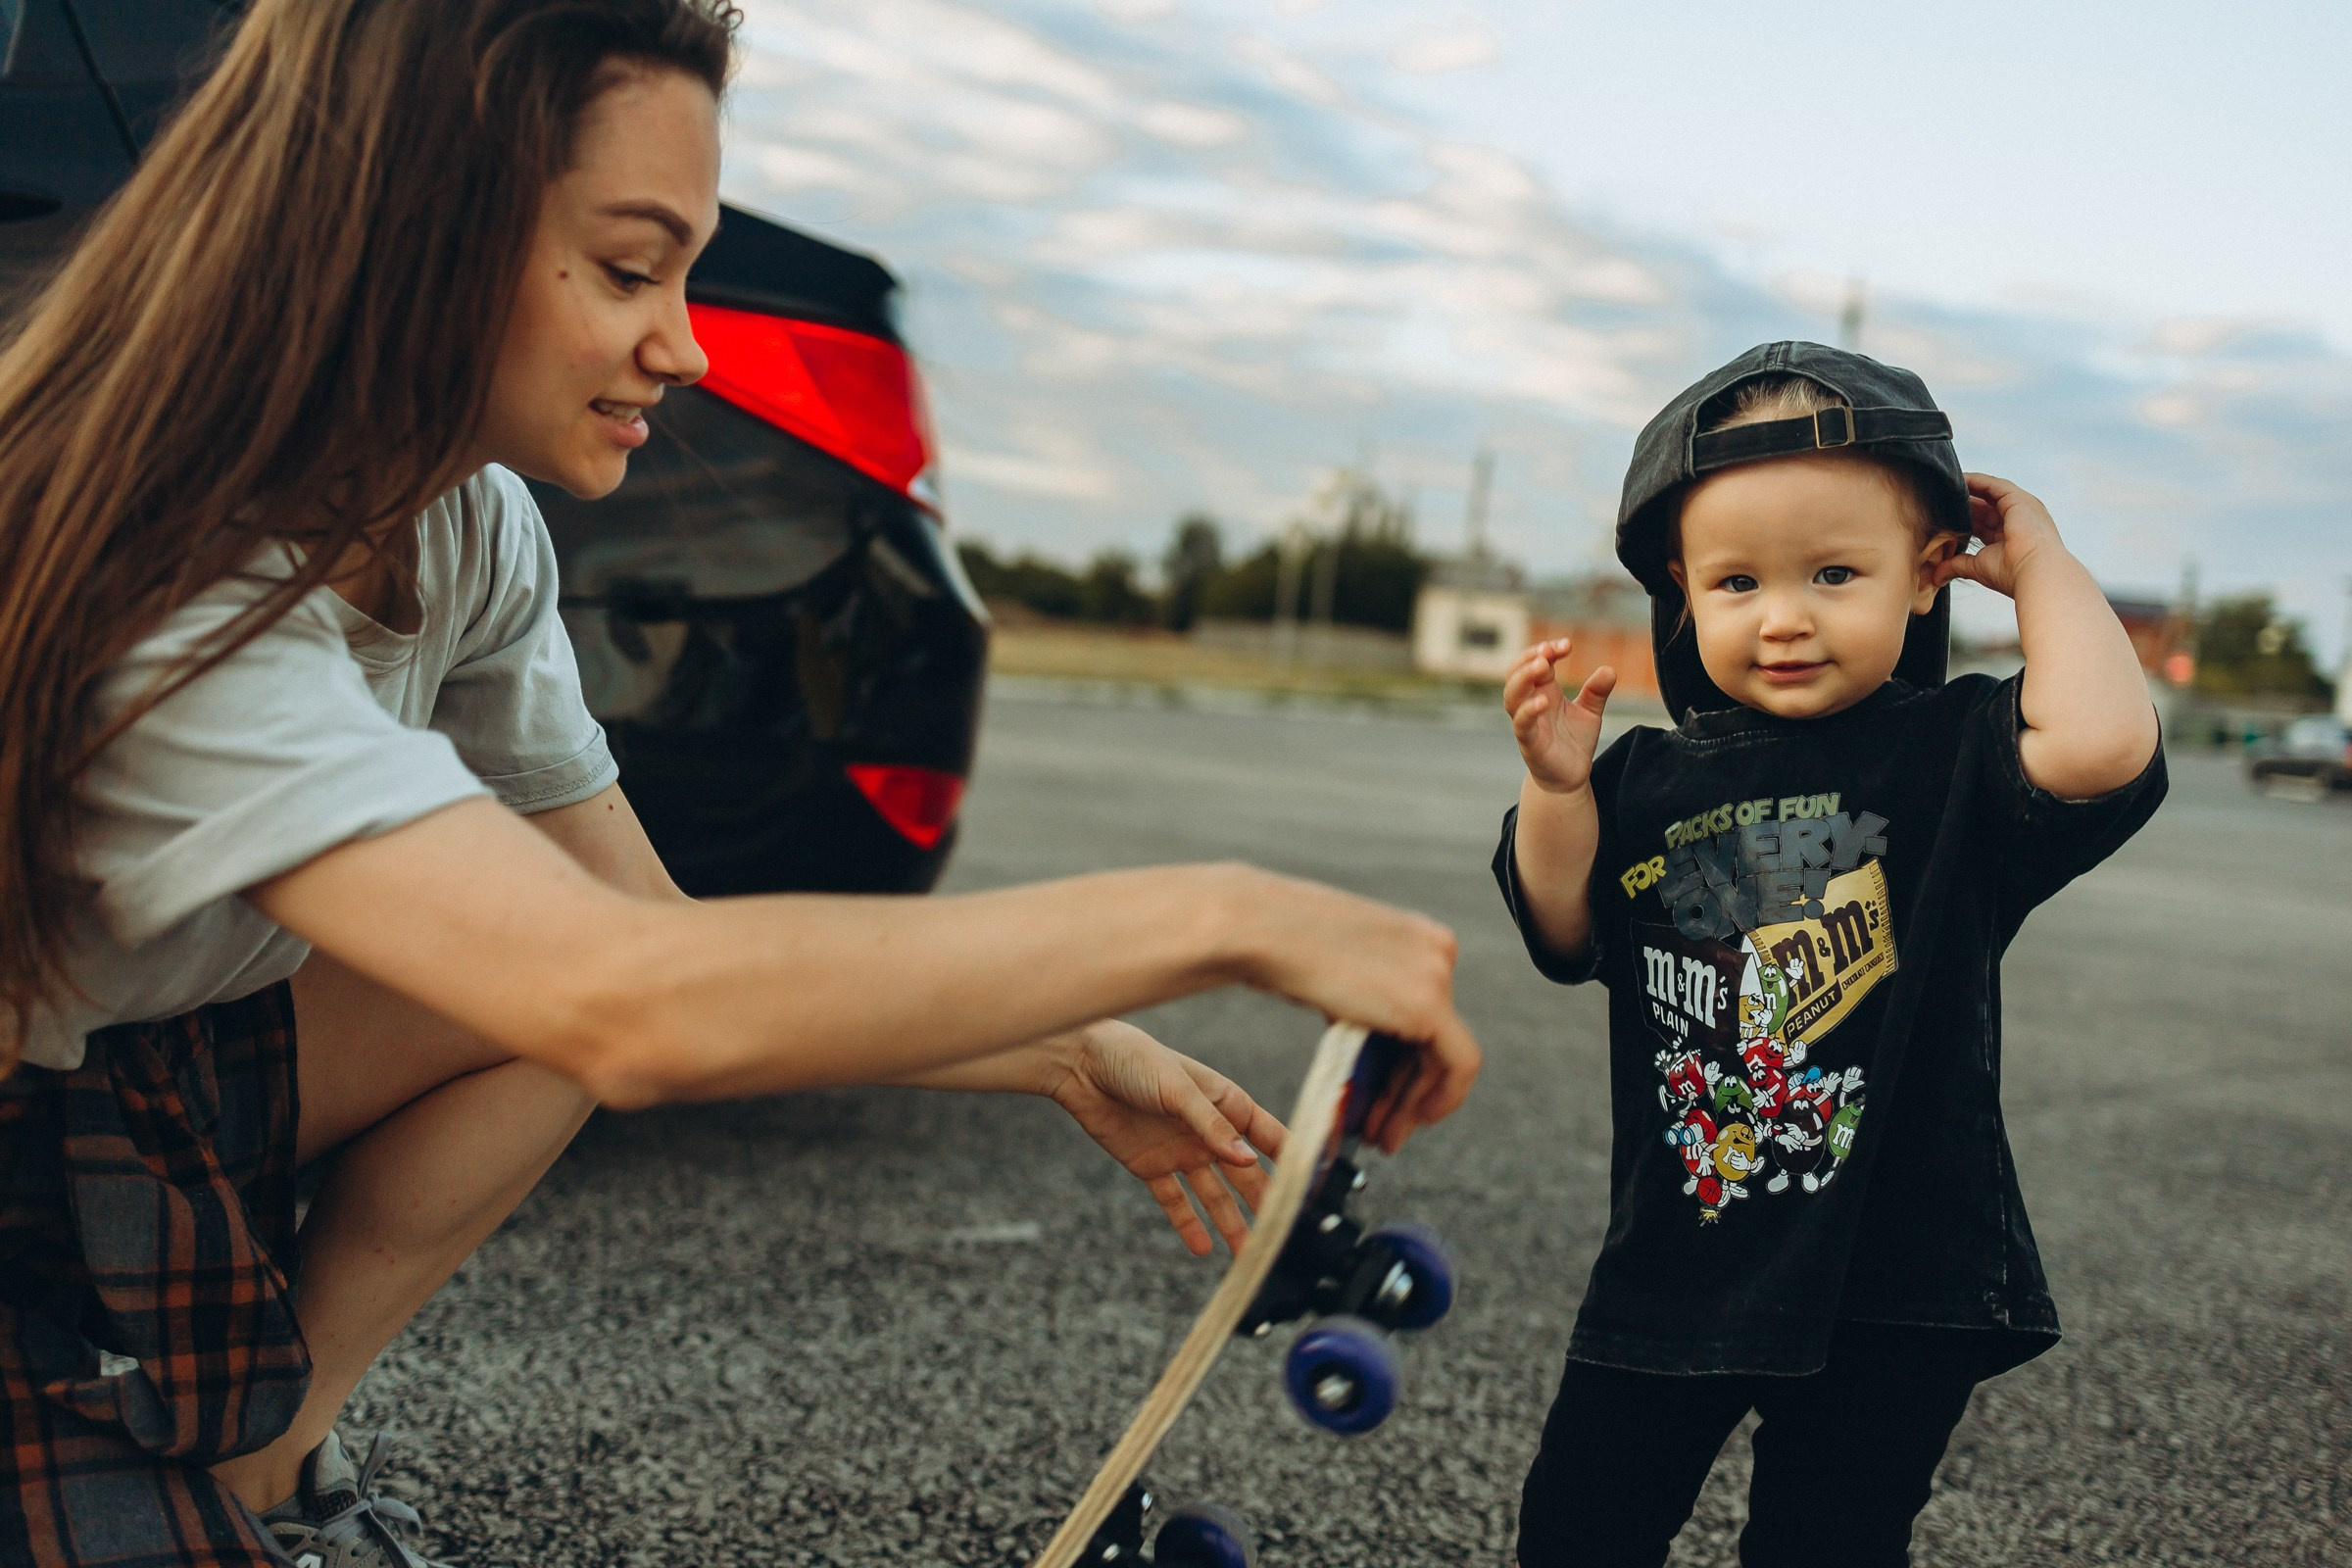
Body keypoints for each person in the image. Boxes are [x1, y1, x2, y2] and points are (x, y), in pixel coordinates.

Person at [0, 3, 1483, 1565]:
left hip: (119, 1066)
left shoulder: (469, 529)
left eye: (688, 271)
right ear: (412, 232)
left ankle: (271, 1474)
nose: (686, 345)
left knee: (526, 1014)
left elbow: (648, 930)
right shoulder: (158, 585)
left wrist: (1062, 1050)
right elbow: (633, 1000)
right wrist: (1228, 914)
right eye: (631, 268)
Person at [1493, 342, 2165, 1568]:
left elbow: (2107, 744)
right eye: (1739, 580)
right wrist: (1554, 790)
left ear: (1925, 580)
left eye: (1836, 571)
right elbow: (1564, 928)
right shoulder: (1640, 779)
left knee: (1827, 1539)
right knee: (1579, 1525)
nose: (1786, 614)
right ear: (1682, 595)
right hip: (1682, 1252)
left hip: (1898, 1269)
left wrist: (2046, 567)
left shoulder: (1958, 752)